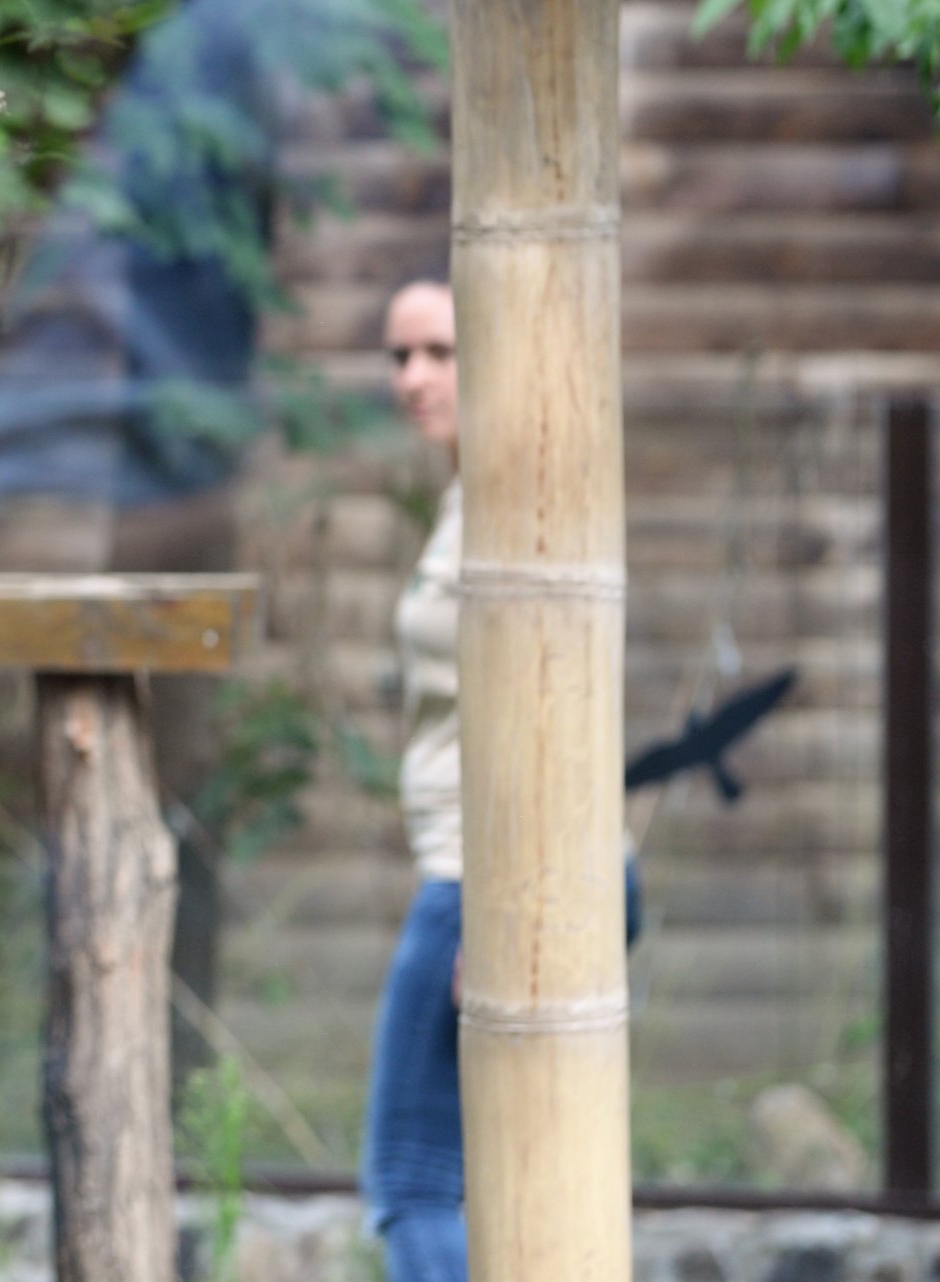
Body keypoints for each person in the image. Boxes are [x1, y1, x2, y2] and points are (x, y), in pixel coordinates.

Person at [358, 279, 640, 1281]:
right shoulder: (469, 494)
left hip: (495, 875)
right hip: (519, 869)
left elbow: (554, 700)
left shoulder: (519, 500)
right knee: (506, 1175)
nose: (414, 378)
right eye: (399, 357)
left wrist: (505, 900)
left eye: (439, 351)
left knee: (412, 1178)